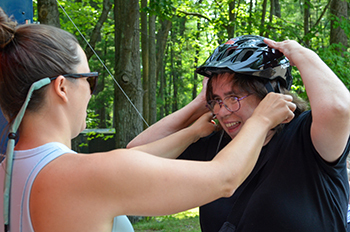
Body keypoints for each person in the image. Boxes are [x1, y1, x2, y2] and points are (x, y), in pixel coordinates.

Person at [0, 8, 296, 232]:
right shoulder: (85, 175)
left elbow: (131, 157)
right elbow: (225, 179)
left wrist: (192, 131)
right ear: (62, 87)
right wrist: (262, 118)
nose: (91, 93)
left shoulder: (8, 172)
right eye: (90, 79)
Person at [128, 35, 350, 231]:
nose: (222, 111)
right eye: (216, 100)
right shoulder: (216, 143)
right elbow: (135, 156)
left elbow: (339, 108)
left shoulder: (305, 135)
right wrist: (199, 104)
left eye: (234, 98)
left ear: (268, 93)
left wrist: (297, 52)